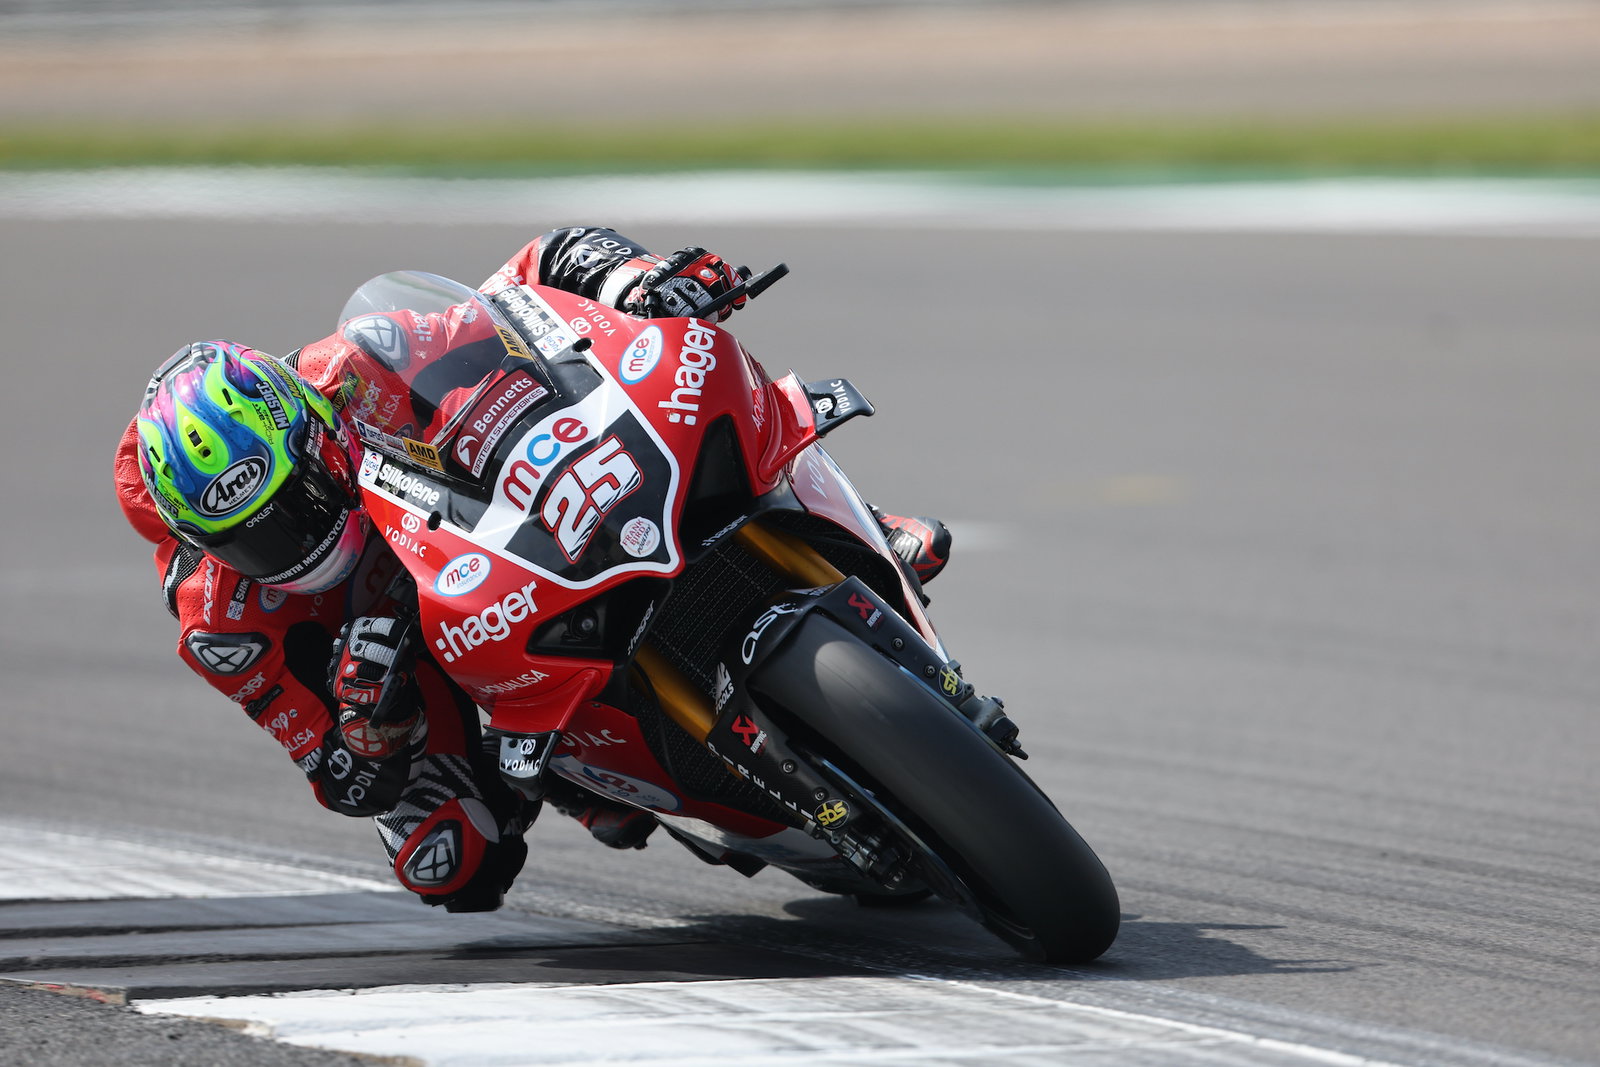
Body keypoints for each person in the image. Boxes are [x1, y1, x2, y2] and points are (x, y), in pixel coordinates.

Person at [113, 227, 953, 913]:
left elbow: (523, 286)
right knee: (443, 857)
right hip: (426, 676)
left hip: (496, 544)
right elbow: (341, 775)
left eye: (298, 499)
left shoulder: (348, 370)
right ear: (204, 541)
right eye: (254, 540)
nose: (295, 543)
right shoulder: (222, 622)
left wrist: (634, 282)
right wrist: (373, 720)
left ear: (314, 433)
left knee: (693, 390)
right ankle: (587, 778)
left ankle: (854, 526)